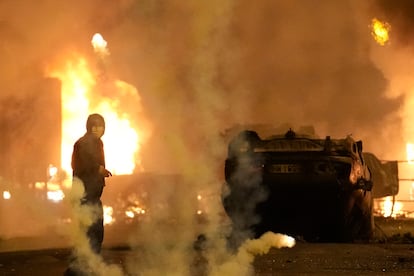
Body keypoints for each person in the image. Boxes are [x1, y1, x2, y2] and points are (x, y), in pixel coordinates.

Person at [71, 113, 112, 253]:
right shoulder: (86, 142)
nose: (96, 129)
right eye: (93, 126)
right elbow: (83, 163)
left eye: (99, 126)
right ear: (88, 127)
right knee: (91, 232)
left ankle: (87, 266)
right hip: (87, 196)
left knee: (91, 232)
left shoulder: (94, 142)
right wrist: (98, 169)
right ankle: (85, 268)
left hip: (91, 196)